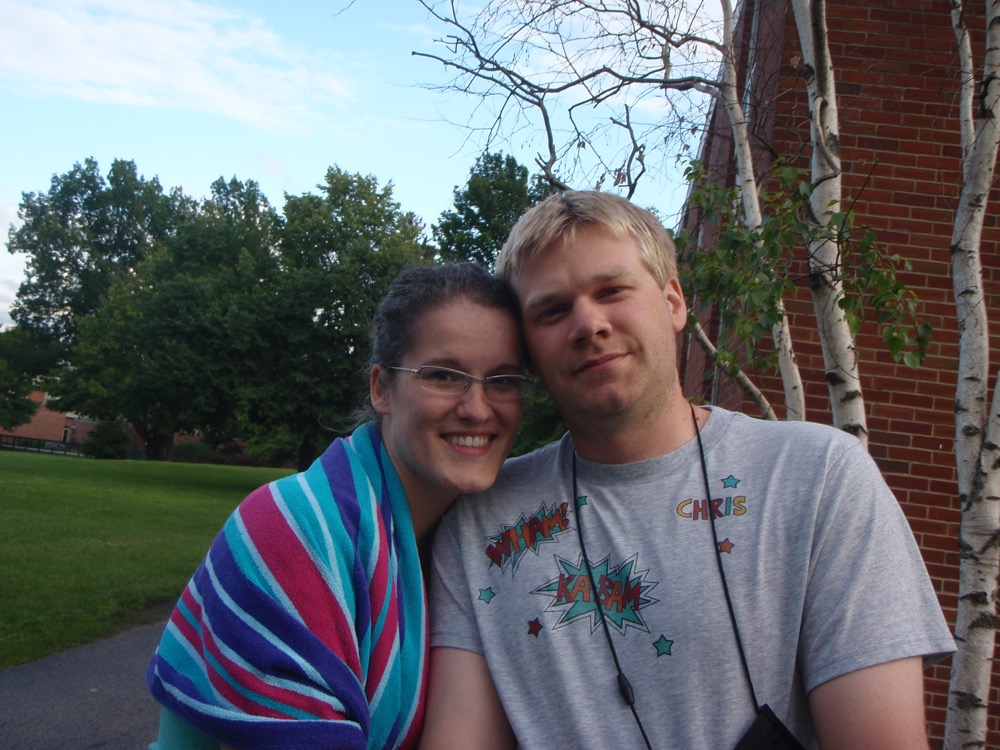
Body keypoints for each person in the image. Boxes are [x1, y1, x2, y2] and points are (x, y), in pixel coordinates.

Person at [421, 192, 956, 750]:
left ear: (674, 302)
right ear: (528, 350)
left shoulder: (817, 478)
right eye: (552, 311)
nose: (588, 324)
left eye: (612, 290)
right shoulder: (481, 521)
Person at [146, 262, 531, 750]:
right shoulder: (294, 528)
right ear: (381, 388)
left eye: (503, 380)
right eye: (442, 375)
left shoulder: (487, 538)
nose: (477, 408)